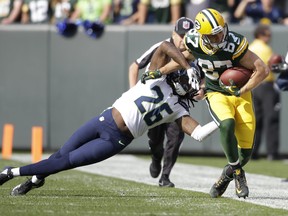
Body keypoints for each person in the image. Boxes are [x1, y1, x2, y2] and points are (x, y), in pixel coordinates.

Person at [0, 40, 218, 196]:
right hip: (104, 120)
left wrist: (222, 120)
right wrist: (188, 65)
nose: (191, 86)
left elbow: (198, 134)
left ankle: (10, 172)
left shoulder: (178, 109)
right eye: (190, 80)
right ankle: (35, 180)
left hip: (116, 140)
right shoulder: (156, 76)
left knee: (67, 162)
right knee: (61, 155)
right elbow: (164, 46)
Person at [141, 8, 269, 198]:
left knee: (246, 154)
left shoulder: (234, 43)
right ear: (204, 36)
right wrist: (161, 72)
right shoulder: (193, 41)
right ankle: (239, 174)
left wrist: (242, 90)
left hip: (241, 95)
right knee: (226, 123)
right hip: (216, 92)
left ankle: (226, 176)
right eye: (214, 35)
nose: (220, 37)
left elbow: (262, 69)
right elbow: (182, 59)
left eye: (221, 32)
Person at [129, 17, 194, 187]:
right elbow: (134, 66)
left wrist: (199, 90)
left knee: (175, 138)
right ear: (173, 33)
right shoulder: (162, 46)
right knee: (155, 140)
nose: (183, 39)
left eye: (187, 35)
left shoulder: (195, 51)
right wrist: (133, 92)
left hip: (177, 102)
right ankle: (156, 156)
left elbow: (201, 80)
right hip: (155, 102)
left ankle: (165, 176)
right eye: (181, 35)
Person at [249, 24, 280, 160]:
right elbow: (272, 67)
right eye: (267, 34)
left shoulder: (250, 47)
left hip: (253, 86)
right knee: (271, 119)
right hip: (266, 85)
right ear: (261, 35)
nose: (270, 37)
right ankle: (272, 152)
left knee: (256, 120)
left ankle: (252, 152)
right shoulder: (265, 48)